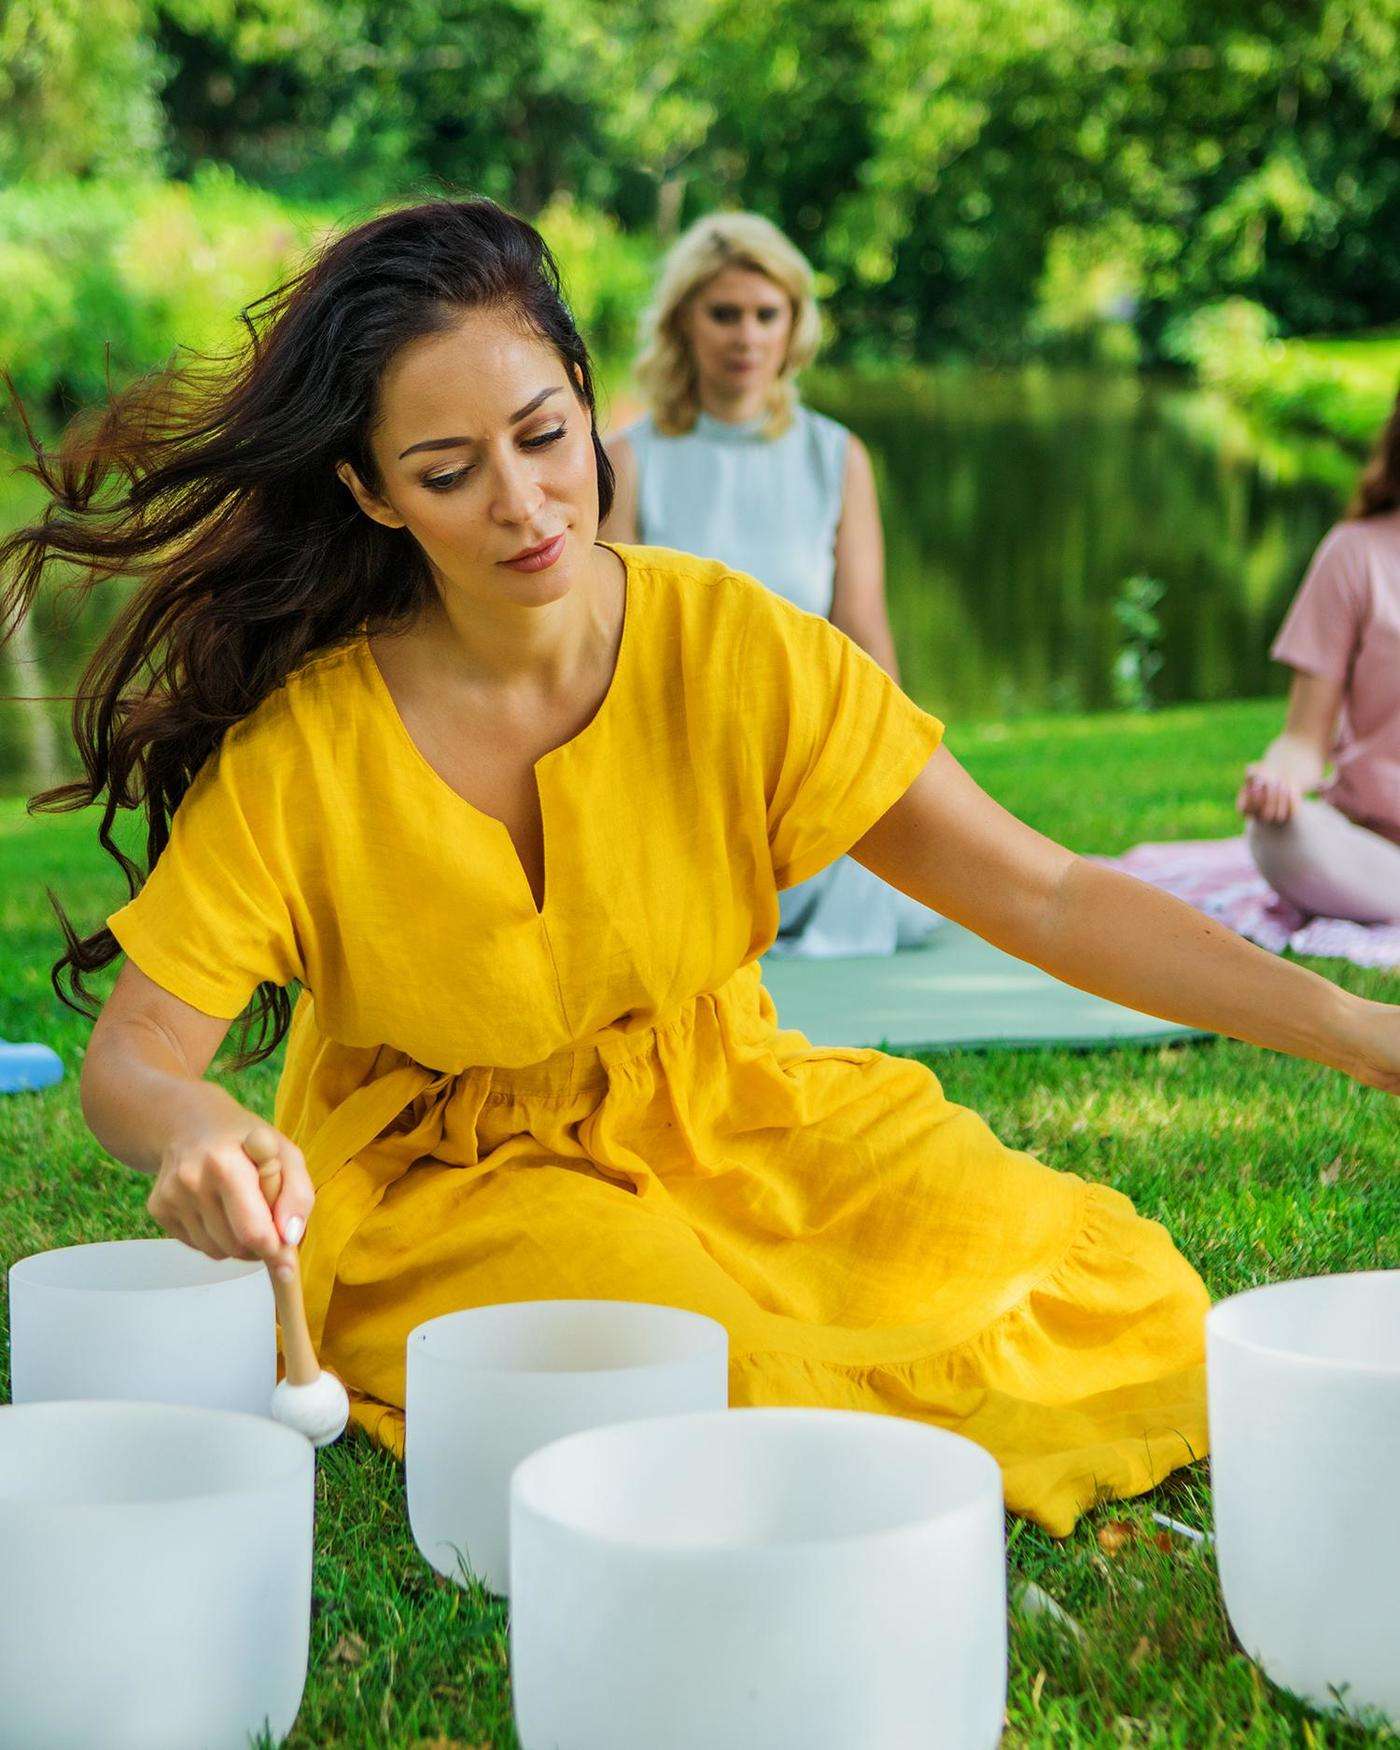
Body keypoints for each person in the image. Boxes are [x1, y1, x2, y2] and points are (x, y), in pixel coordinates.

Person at [6, 199, 1396, 1540]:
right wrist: (192, 1130)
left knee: (1109, 1288)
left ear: (584, 393)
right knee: (700, 1372)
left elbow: (1045, 894)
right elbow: (135, 1053)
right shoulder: (309, 746)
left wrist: (1356, 1028)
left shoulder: (736, 647)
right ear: (370, 491)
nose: (525, 503)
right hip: (446, 1178)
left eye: (546, 435)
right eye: (448, 473)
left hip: (732, 1110)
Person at [601, 212, 938, 957]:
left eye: (766, 314)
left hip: (805, 759)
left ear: (794, 326)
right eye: (724, 314)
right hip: (673, 764)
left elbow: (863, 628)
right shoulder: (626, 460)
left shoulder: (837, 455)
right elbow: (598, 648)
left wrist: (895, 771)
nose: (745, 337)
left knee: (904, 904)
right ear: (684, 321)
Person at [1238, 394, 1400, 923]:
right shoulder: (1355, 553)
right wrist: (1277, 780)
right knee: (1279, 835)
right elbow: (1304, 740)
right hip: (1375, 850)